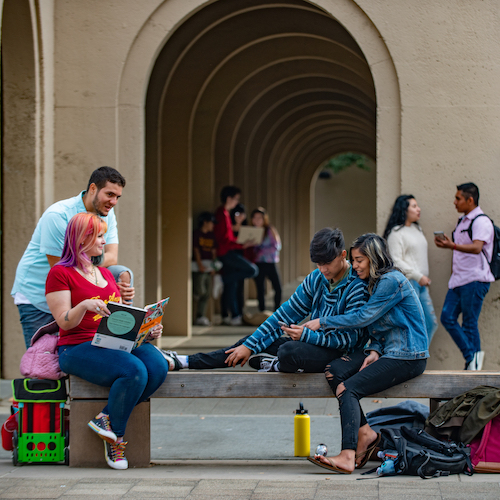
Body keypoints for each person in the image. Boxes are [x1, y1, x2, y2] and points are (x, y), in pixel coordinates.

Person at [296, 233, 428, 474]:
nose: (354, 266)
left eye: (359, 260)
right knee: (336, 374)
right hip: (392, 353)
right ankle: (366, 435)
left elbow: (363, 317)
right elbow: (378, 325)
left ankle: (348, 455)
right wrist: (376, 349)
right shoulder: (377, 282)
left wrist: (322, 322)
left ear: (374, 258)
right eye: (354, 260)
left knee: (348, 388)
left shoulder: (391, 280)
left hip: (409, 356)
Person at [45, 213, 167, 470]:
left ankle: (107, 418)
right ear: (82, 238)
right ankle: (117, 438)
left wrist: (147, 329)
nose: (104, 241)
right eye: (99, 235)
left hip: (111, 342)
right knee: (133, 370)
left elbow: (119, 320)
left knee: (157, 365)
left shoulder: (105, 275)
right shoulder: (60, 273)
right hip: (76, 348)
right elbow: (64, 322)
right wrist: (84, 305)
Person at [161, 228, 369, 374]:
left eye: (327, 263)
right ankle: (185, 361)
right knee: (248, 343)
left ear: (343, 255)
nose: (323, 269)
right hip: (310, 344)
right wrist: (251, 346)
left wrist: (307, 335)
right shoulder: (316, 278)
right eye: (318, 264)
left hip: (341, 354)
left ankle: (276, 365)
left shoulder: (357, 285)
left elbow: (349, 341)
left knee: (289, 352)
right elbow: (283, 316)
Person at [12, 166, 135, 348]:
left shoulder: (106, 213)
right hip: (37, 294)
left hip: (74, 294)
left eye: (117, 197)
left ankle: (123, 337)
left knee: (121, 272)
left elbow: (111, 257)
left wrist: (114, 292)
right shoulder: (58, 216)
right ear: (92, 188)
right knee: (44, 367)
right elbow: (62, 270)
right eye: (109, 194)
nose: (114, 201)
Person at [434, 182, 494, 371]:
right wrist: (448, 243)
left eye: (458, 198)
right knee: (447, 317)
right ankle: (472, 357)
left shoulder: (481, 221)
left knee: (469, 322)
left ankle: (473, 367)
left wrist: (451, 246)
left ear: (470, 200)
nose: (454, 202)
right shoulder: (463, 221)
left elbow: (477, 247)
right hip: (458, 280)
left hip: (475, 279)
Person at [383, 195, 438, 342]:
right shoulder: (396, 233)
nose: (418, 209)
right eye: (414, 206)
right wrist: (418, 276)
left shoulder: (416, 229)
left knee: (429, 323)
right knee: (416, 324)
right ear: (404, 210)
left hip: (420, 285)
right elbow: (396, 261)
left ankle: (418, 357)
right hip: (409, 283)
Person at [214, 186, 258, 326]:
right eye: (236, 198)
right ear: (229, 198)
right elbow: (224, 240)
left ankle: (232, 316)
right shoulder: (222, 214)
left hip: (229, 251)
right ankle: (221, 279)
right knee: (252, 270)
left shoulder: (225, 213)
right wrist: (241, 245)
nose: (237, 202)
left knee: (231, 285)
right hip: (226, 252)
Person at [250, 207, 282, 312]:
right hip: (258, 263)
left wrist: (261, 250)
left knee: (277, 287)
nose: (257, 220)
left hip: (270, 262)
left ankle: (277, 311)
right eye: (255, 218)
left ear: (264, 219)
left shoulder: (269, 229)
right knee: (260, 289)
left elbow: (277, 245)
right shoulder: (251, 231)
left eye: (260, 218)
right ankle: (262, 312)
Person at [192, 211, 220, 326]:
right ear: (205, 222)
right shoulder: (197, 234)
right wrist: (200, 265)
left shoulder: (211, 236)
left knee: (207, 293)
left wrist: (214, 266)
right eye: (211, 222)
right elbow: (196, 250)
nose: (213, 225)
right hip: (199, 268)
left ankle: (200, 316)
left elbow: (214, 252)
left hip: (209, 267)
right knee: (200, 290)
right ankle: (195, 294)